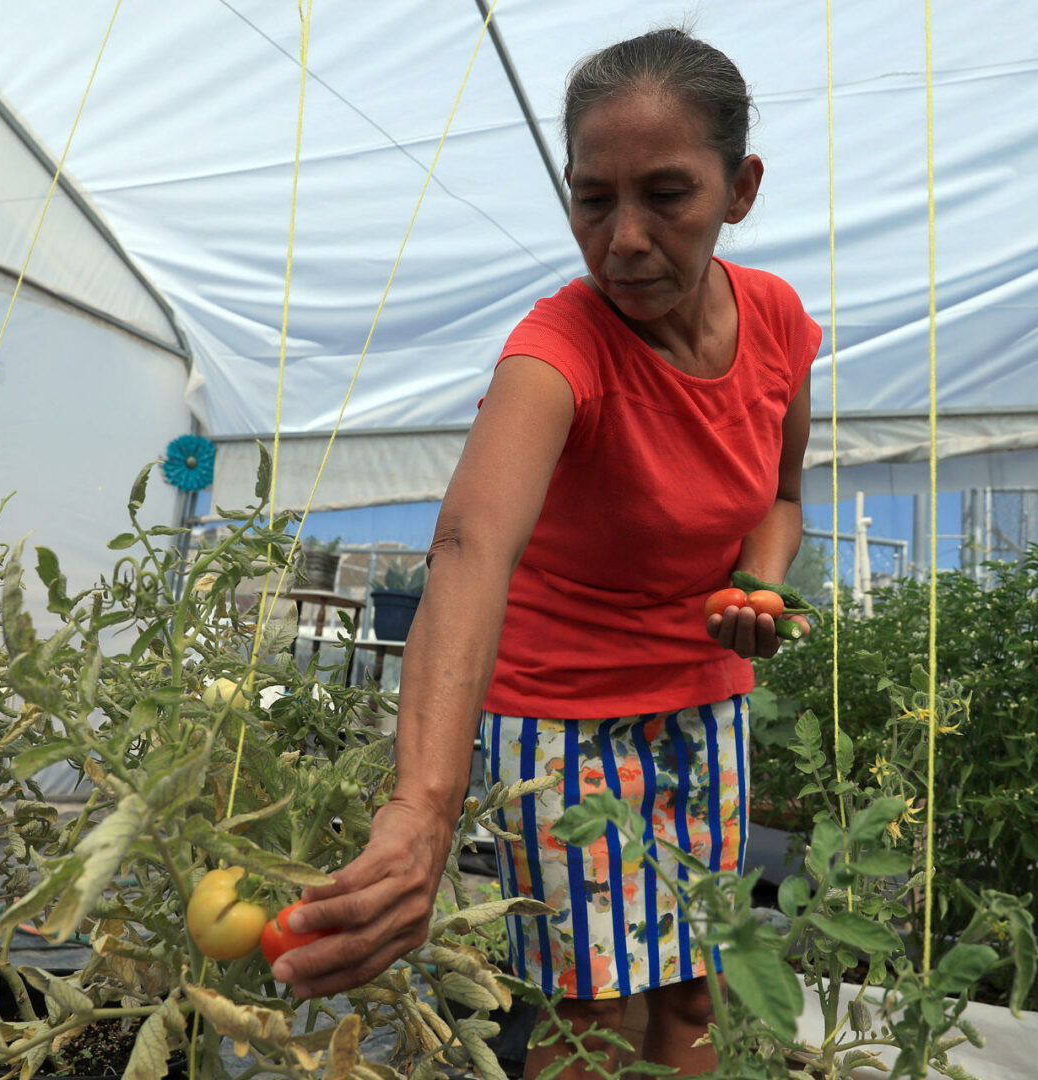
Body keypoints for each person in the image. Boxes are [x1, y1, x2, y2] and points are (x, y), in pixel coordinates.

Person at [274, 27, 818, 1078]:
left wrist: (759, 582)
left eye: (666, 195)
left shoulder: (780, 321)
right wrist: (421, 811)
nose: (622, 239)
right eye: (593, 198)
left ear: (740, 188)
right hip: (566, 721)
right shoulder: (557, 350)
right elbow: (471, 547)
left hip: (706, 703)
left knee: (697, 985)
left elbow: (784, 497)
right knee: (597, 1019)